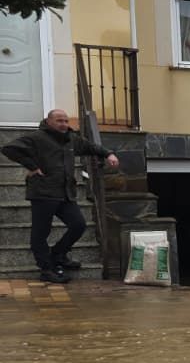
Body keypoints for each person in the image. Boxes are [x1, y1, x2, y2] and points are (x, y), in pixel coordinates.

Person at [3, 110, 119, 283]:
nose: (64, 124)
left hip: (65, 193)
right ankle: (46, 269)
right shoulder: (37, 138)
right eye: (59, 121)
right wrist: (32, 166)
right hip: (43, 192)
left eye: (65, 120)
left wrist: (108, 153)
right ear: (49, 121)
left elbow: (90, 147)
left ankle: (58, 254)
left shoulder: (71, 139)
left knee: (78, 225)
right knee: (41, 233)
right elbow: (9, 148)